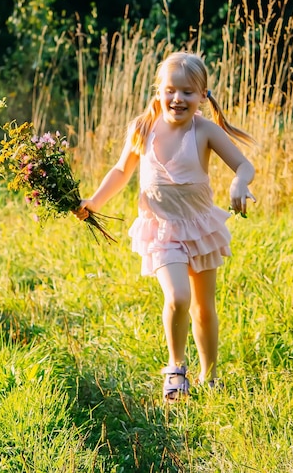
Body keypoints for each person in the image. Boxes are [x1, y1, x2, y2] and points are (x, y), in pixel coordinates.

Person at [73, 51, 256, 402]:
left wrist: (238, 184)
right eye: (171, 89)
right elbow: (121, 171)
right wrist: (94, 202)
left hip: (200, 228)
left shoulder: (204, 130)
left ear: (203, 96)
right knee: (178, 296)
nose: (178, 98)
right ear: (158, 91)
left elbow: (244, 166)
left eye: (188, 92)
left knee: (204, 306)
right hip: (162, 230)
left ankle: (210, 375)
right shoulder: (143, 127)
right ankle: (175, 369)